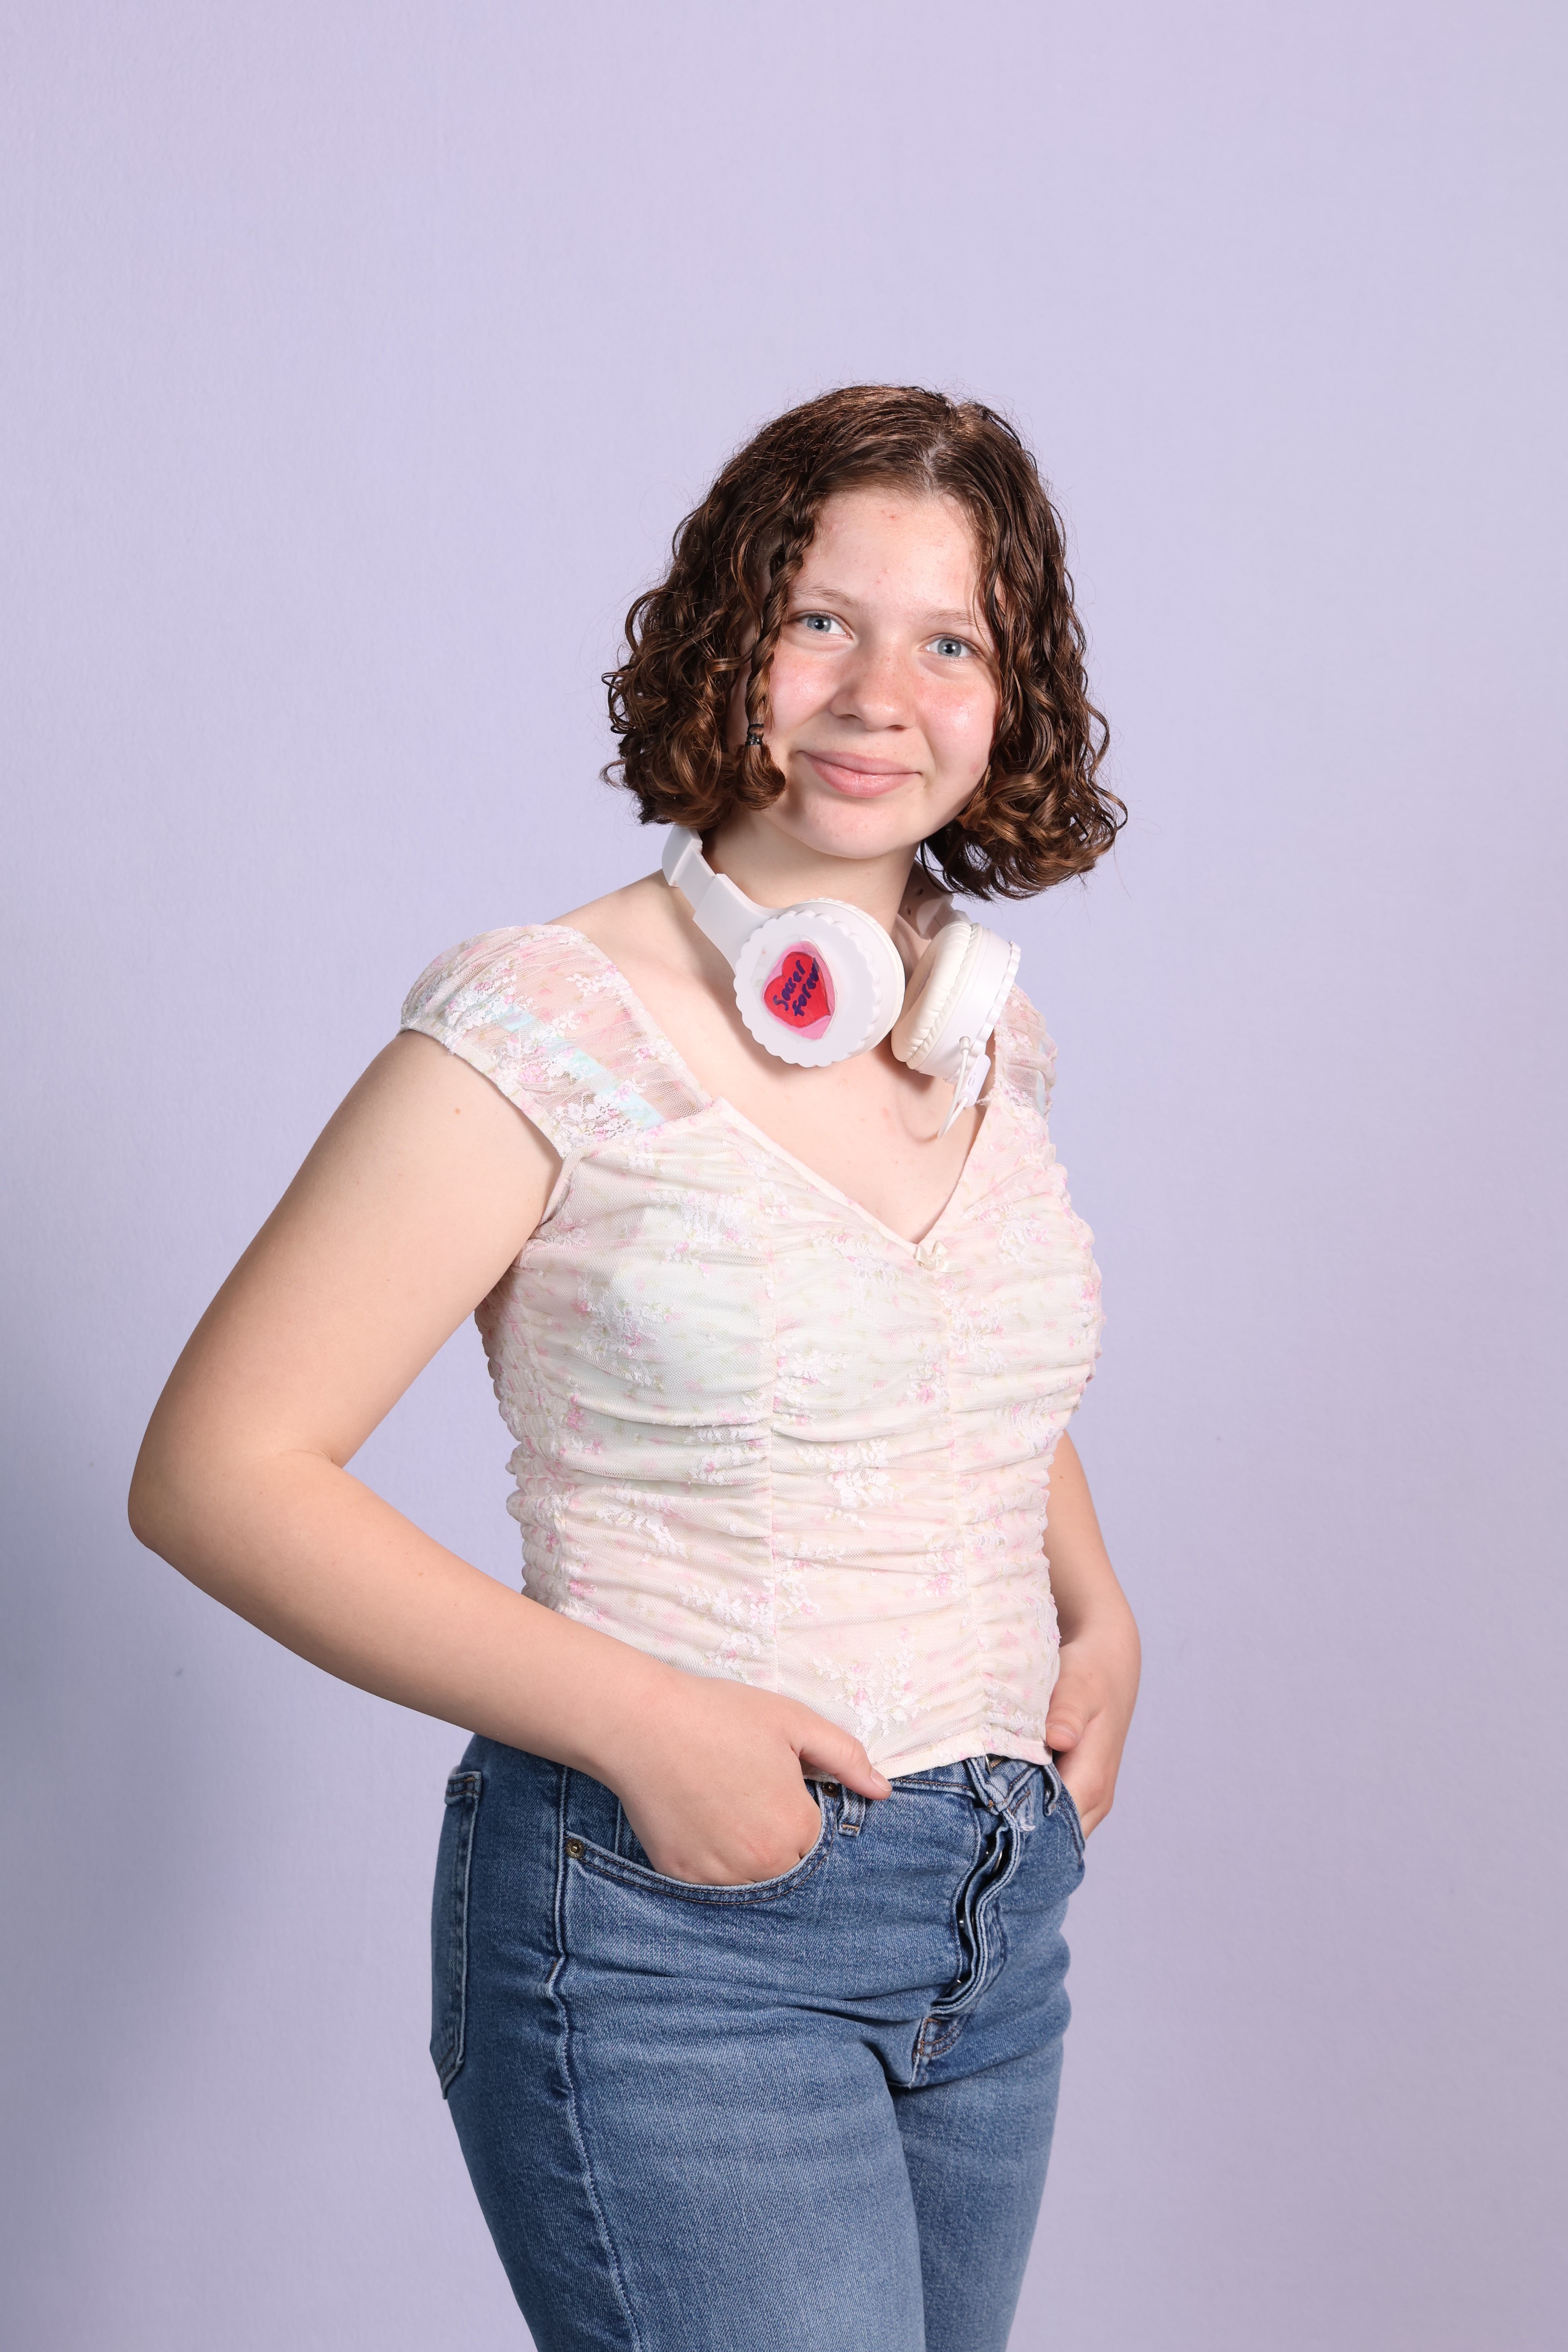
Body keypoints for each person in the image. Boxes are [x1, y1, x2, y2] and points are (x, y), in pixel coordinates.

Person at [129, 384, 1141, 2352]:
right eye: (820, 620)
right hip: (682, 1934)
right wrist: (651, 1728)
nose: (879, 695)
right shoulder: (549, 1020)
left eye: (949, 642)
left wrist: (1093, 1609)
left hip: (994, 1919)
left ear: (1008, 697)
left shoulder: (977, 1037)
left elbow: (949, 1364)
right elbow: (218, 1471)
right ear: (725, 639)